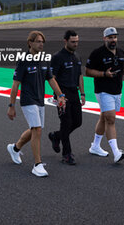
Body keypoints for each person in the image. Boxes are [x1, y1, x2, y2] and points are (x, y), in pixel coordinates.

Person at [7, 30, 66, 177]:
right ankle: (37, 164)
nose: (41, 44)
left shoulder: (45, 59)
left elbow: (51, 79)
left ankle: (15, 148)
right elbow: (15, 84)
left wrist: (61, 95)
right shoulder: (23, 60)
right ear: (30, 43)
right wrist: (11, 106)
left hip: (40, 100)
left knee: (35, 130)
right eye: (38, 41)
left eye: (42, 42)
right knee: (37, 130)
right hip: (28, 99)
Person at [85, 27, 124, 163]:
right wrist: (104, 74)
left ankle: (95, 146)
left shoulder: (121, 53)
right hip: (103, 90)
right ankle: (116, 152)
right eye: (110, 37)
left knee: (104, 117)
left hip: (117, 91)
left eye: (115, 37)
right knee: (111, 119)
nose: (113, 40)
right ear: (104, 38)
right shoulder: (97, 53)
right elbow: (88, 71)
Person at [48, 30, 85, 165]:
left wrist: (82, 93)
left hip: (74, 93)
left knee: (78, 122)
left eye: (77, 41)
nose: (75, 44)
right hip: (62, 94)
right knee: (66, 123)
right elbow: (52, 78)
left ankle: (56, 136)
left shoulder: (77, 56)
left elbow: (80, 76)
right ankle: (67, 154)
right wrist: (59, 96)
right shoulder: (57, 57)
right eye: (72, 42)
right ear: (65, 41)